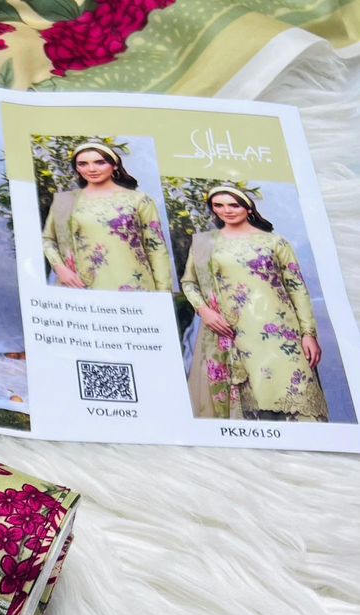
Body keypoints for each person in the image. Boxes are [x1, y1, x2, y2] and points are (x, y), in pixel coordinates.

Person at [180, 183, 328, 422]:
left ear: (249, 208)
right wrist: (204, 310)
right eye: (218, 205)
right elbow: (189, 282)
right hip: (234, 334)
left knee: (298, 399)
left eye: (234, 205)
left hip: (281, 334)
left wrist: (308, 334)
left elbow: (297, 288)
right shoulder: (205, 245)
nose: (226, 210)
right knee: (251, 405)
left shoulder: (275, 243)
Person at [41, 140, 173, 292]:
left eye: (100, 162)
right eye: (83, 164)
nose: (91, 169)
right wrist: (60, 268)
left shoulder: (138, 200)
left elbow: (156, 248)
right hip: (79, 287)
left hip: (133, 285)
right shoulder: (65, 201)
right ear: (77, 168)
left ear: (115, 165)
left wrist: (163, 292)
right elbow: (48, 239)